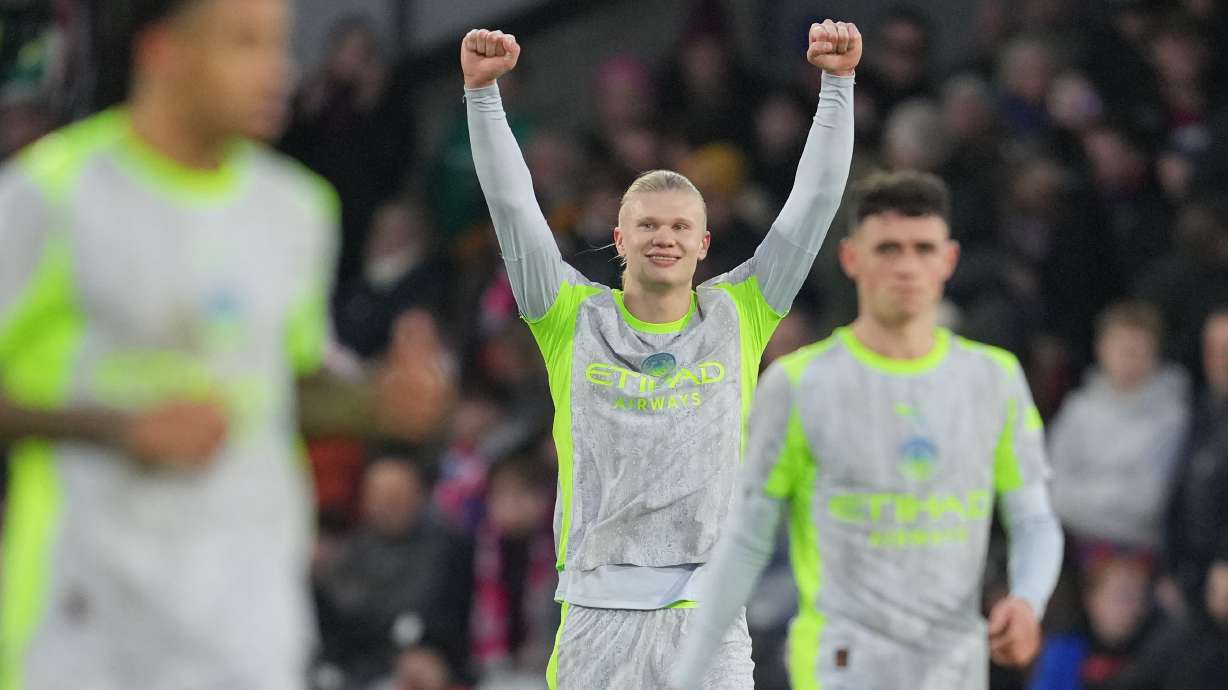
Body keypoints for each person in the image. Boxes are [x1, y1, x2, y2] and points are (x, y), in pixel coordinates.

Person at [0, 1, 452, 688]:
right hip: (87, 620)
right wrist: (117, 428)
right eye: (244, 44)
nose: (278, 71)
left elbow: (285, 385)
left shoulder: (297, 210)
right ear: (162, 52)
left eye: (279, 46)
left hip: (248, 618)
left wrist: (377, 403)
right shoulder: (52, 193)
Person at [461, 19, 860, 690]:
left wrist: (839, 85)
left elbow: (815, 202)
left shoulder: (741, 313)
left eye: (681, 226)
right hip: (595, 616)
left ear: (706, 244)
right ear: (619, 237)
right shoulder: (568, 316)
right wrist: (481, 95)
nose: (664, 237)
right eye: (647, 224)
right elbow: (512, 207)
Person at [671, 171, 1065, 690]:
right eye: (888, 249)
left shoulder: (993, 379)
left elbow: (1033, 518)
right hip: (842, 664)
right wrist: (688, 674)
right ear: (852, 258)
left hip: (954, 668)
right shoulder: (800, 384)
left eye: (923, 248)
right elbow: (746, 539)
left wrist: (1028, 599)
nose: (906, 266)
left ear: (948, 260)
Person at [1049, 302, 1190, 552]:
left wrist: (1083, 496)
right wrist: (1113, 497)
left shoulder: (1172, 417)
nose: (1130, 360)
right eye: (1123, 349)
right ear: (1101, 349)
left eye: (1139, 351)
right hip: (1069, 542)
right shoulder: (1078, 408)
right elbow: (1051, 490)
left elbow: (1148, 504)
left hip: (1136, 549)